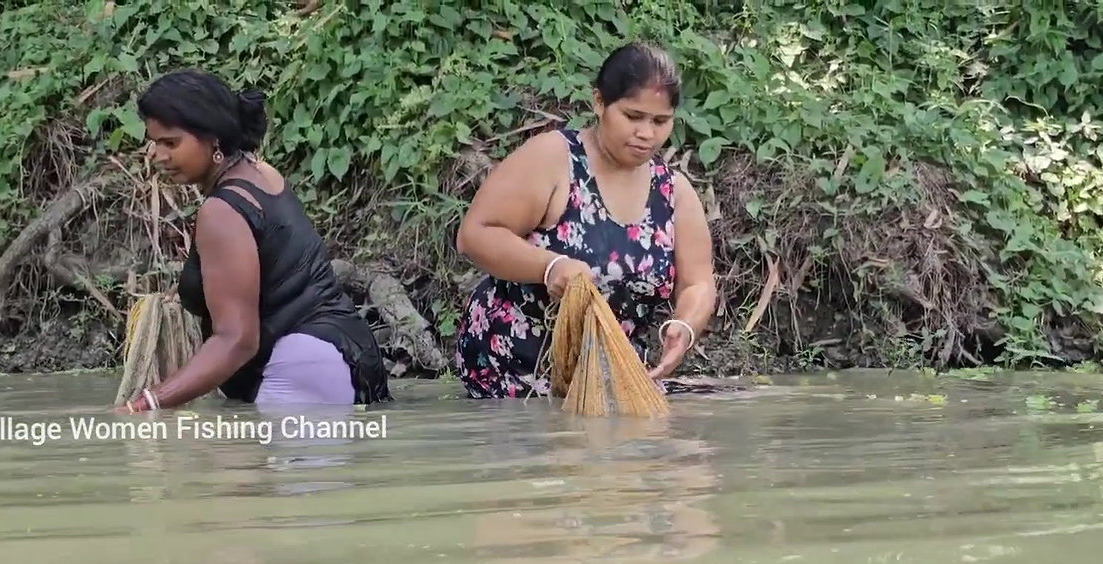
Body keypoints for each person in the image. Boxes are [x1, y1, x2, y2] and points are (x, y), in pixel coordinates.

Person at [452, 41, 717, 400]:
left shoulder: (673, 192)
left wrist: (684, 325)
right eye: (633, 116)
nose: (647, 133)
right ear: (599, 102)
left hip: (609, 378)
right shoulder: (555, 160)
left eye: (660, 121)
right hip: (512, 374)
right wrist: (550, 266)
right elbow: (475, 235)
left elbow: (697, 283)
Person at [115, 68, 390, 413]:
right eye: (154, 142)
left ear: (214, 139)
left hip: (300, 370)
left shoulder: (221, 211)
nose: (158, 155)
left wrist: (145, 403)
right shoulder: (261, 173)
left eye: (171, 143)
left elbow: (237, 340)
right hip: (349, 355)